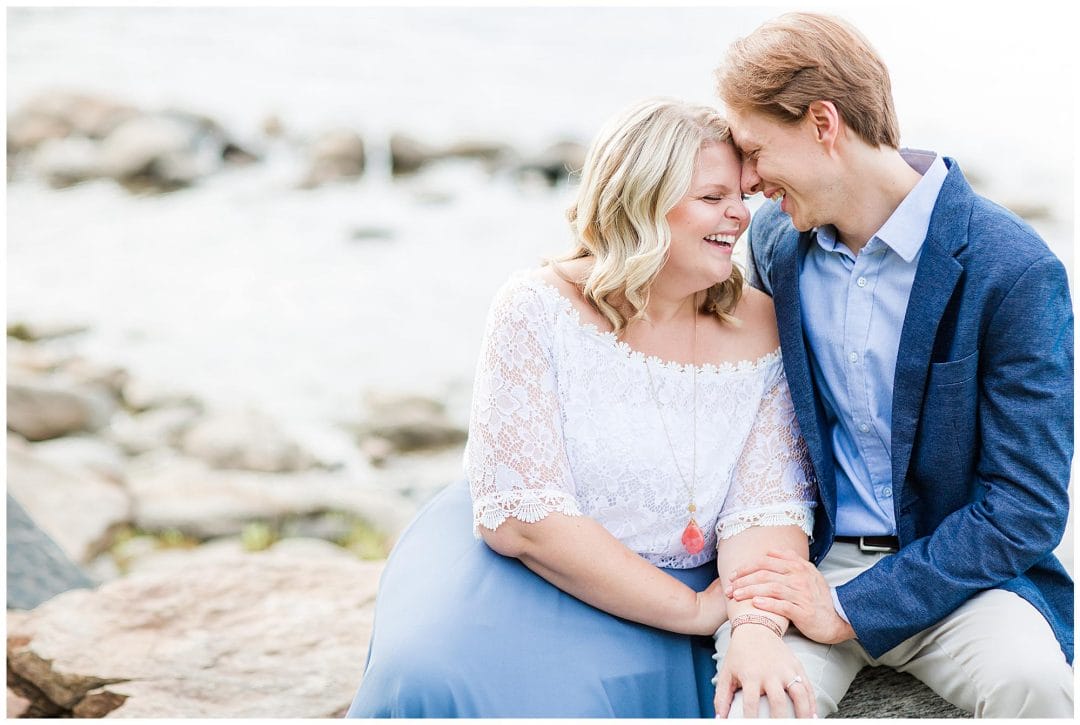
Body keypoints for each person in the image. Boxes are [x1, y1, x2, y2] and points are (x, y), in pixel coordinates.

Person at [345, 97, 819, 718]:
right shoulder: (536, 308)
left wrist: (752, 622)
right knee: (440, 679)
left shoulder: (764, 324)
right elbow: (521, 520)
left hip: (694, 581)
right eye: (712, 197)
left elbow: (767, 505)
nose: (740, 215)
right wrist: (693, 611)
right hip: (525, 569)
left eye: (741, 196)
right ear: (642, 201)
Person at [709, 12, 1074, 718]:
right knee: (756, 704)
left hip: (961, 582)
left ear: (823, 122)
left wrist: (854, 608)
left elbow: (1027, 504)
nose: (749, 181)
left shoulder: (1014, 269)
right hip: (809, 561)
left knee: (1032, 683)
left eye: (755, 151)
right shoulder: (772, 246)